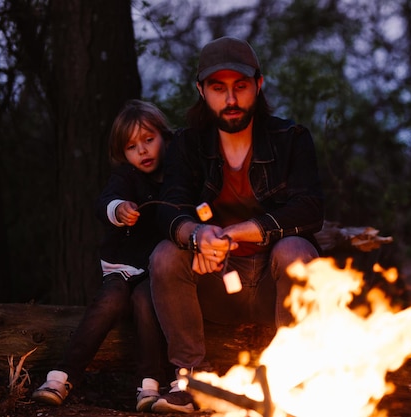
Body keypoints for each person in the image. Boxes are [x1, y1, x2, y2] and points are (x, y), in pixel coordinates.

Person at [148, 36, 325, 414]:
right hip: (215, 283)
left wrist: (253, 228)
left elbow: (310, 209)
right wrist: (197, 236)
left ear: (258, 86)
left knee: (296, 250)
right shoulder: (187, 144)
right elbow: (169, 206)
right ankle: (191, 376)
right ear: (201, 90)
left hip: (272, 287)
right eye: (218, 88)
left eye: (240, 87)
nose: (230, 100)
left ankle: (293, 379)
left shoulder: (291, 139)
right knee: (166, 255)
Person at [32, 100, 173, 412]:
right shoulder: (126, 177)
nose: (143, 151)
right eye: (132, 146)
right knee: (109, 301)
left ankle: (149, 384)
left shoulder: (178, 175)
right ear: (123, 153)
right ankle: (62, 375)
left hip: (156, 272)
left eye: (149, 140)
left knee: (144, 301)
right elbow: (104, 202)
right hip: (122, 267)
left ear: (165, 136)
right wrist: (119, 209)